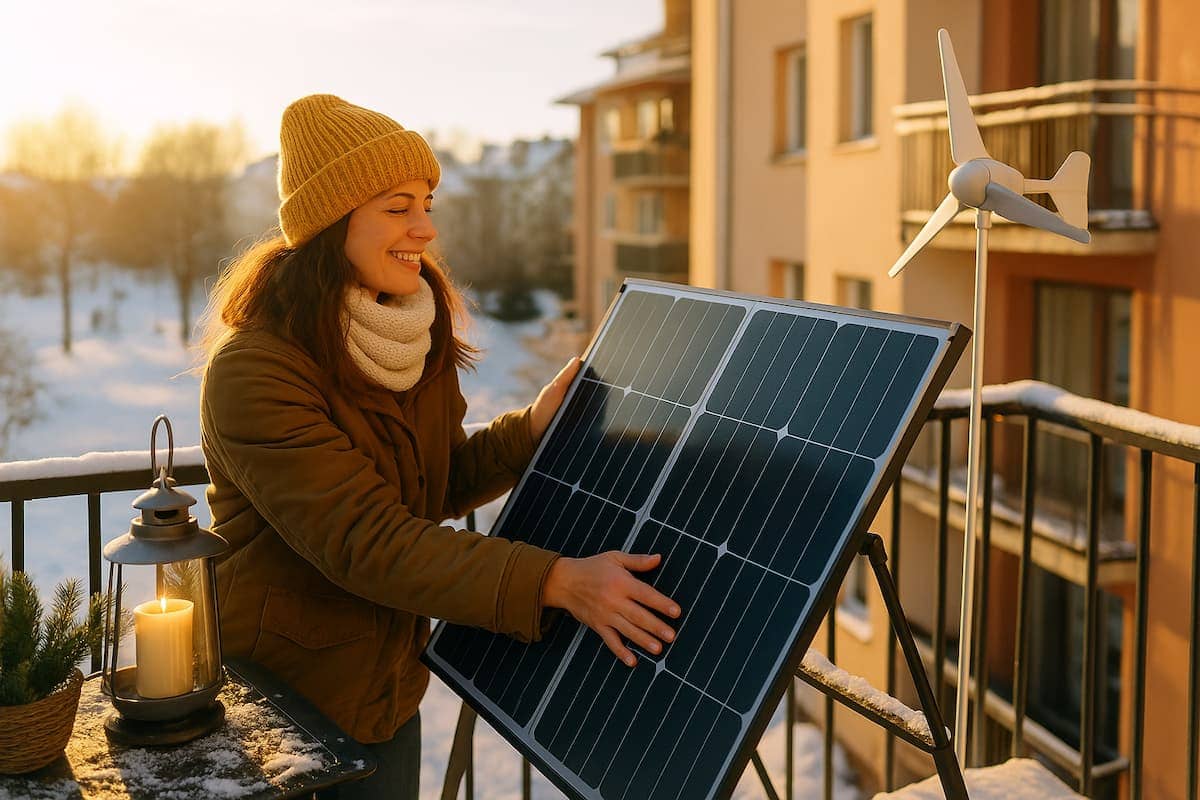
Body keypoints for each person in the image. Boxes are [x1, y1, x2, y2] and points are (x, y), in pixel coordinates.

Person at [197, 94, 680, 799]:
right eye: (398, 207)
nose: (424, 228)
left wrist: (528, 434)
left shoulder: (409, 339)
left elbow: (436, 480)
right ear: (333, 220)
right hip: (281, 709)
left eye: (427, 202)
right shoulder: (256, 369)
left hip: (387, 693)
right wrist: (556, 580)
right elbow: (365, 537)